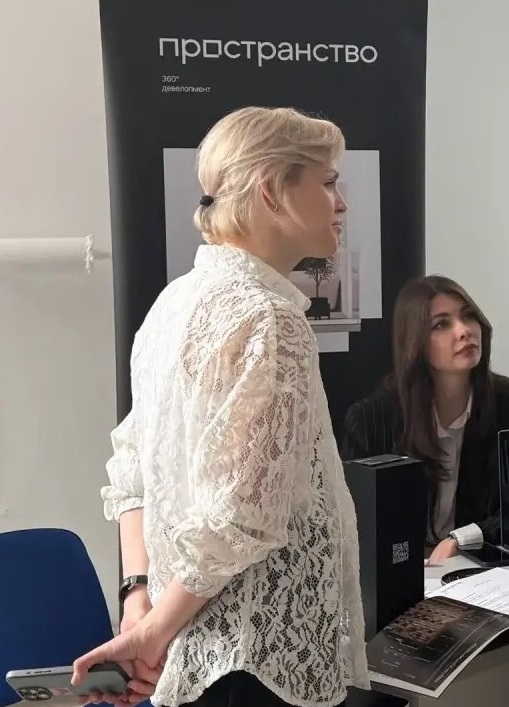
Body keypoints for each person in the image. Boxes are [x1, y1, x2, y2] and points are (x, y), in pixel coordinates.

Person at [71, 106, 368, 707]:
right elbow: (245, 514)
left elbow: (132, 471)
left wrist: (140, 600)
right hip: (259, 660)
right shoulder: (270, 318)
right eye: (328, 183)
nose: (341, 204)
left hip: (191, 648)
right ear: (272, 191)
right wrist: (153, 629)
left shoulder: (171, 306)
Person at [340, 275, 509, 564]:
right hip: (401, 569)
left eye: (468, 316)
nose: (464, 331)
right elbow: (356, 522)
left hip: (479, 564)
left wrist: (463, 538)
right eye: (441, 324)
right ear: (415, 342)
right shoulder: (371, 420)